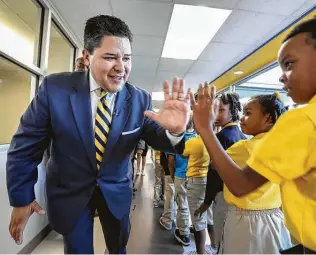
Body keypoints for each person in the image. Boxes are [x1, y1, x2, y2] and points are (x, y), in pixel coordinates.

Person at [6, 15, 191, 254]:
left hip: (116, 193)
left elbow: (158, 138)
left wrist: (175, 131)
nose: (121, 67)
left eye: (126, 58)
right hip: (70, 193)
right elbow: (25, 146)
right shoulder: (55, 89)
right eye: (110, 57)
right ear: (87, 56)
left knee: (118, 248)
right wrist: (21, 198)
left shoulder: (138, 98)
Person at [190, 17, 316, 253]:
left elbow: (240, 184)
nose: (281, 77)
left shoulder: (302, 120)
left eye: (289, 64)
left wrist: (205, 129)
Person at [221, 92, 292, 253]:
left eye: (248, 113)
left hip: (245, 221)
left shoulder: (245, 147)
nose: (242, 118)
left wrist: (206, 129)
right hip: (275, 217)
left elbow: (215, 163)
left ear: (268, 119)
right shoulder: (281, 145)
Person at [195, 92, 246, 250]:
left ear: (233, 111)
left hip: (222, 194)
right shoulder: (241, 135)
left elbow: (215, 173)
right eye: (214, 110)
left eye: (221, 110)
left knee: (222, 236)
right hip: (235, 196)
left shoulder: (222, 137)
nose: (215, 115)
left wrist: (206, 202)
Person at [182, 133, 212, 254]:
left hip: (195, 180)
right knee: (209, 216)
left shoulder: (193, 142)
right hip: (208, 178)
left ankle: (200, 252)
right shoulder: (214, 140)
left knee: (197, 218)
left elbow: (183, 153)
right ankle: (213, 247)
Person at [169, 118, 196, 246]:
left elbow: (171, 161)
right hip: (196, 177)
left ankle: (184, 233)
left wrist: (173, 175)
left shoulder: (176, 140)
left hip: (180, 175)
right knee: (196, 204)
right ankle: (197, 228)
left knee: (182, 205)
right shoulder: (198, 138)